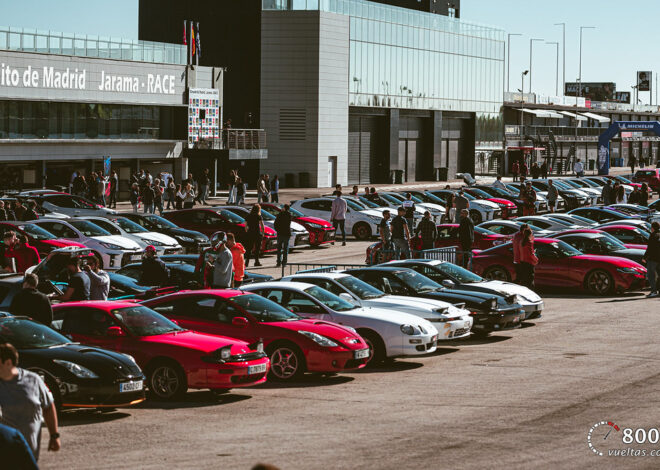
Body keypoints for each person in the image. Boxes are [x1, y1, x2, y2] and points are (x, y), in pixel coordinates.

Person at [0, 343, 61, 462]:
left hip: (30, 451)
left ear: (8, 362)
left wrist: (54, 435)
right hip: (5, 452)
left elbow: (48, 406)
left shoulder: (33, 380)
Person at [643, 221, 660, 297]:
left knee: (651, 275)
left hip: (653, 259)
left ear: (652, 228)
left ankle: (653, 291)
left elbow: (649, 248)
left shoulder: (652, 236)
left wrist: (644, 257)